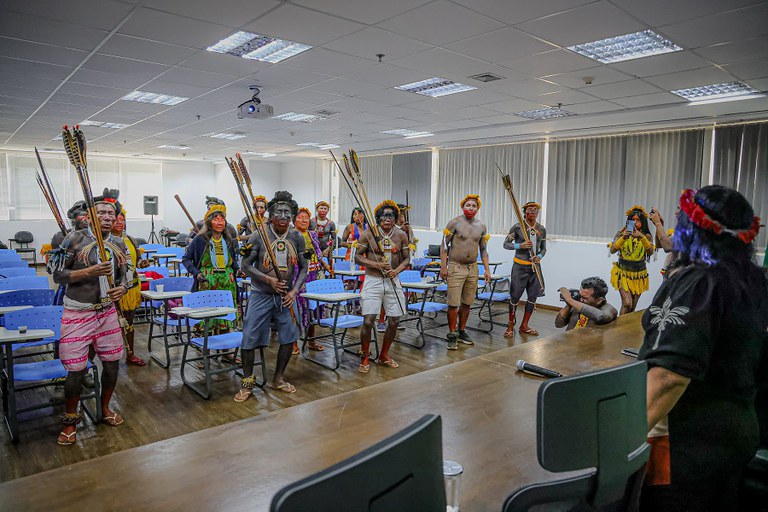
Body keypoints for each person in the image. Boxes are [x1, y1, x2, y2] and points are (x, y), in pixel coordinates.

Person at [639, 186, 767, 511]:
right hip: (737, 428)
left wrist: (619, 441)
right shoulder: (753, 278)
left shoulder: (700, 284)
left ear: (692, 228)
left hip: (689, 441)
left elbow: (669, 378)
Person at [51, 192, 130, 445]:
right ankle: (70, 419)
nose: (108, 217)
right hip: (78, 312)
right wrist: (89, 271)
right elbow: (58, 275)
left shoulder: (118, 243)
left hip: (106, 312)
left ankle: (105, 408)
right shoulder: (74, 239)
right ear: (90, 215)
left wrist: (122, 288)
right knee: (76, 369)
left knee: (111, 363)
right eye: (102, 213)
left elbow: (124, 275)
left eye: (112, 214)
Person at [235, 191, 307, 402]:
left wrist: (294, 291)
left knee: (289, 336)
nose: (283, 216)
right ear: (271, 214)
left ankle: (278, 378)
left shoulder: (296, 237)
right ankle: (247, 383)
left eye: (287, 212)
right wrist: (269, 280)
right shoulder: (259, 235)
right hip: (261, 295)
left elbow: (304, 267)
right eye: (279, 212)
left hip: (285, 297)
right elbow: (245, 265)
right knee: (249, 338)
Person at [354, 200, 410, 373]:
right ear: (378, 218)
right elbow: (357, 256)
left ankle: (384, 354)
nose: (388, 218)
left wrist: (397, 270)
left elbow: (407, 258)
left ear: (395, 218)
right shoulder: (369, 233)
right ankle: (365, 356)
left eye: (391, 216)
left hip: (392, 281)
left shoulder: (401, 235)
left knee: (394, 320)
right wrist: (376, 265)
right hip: (373, 280)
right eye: (384, 215)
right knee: (369, 320)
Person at [439, 194, 491, 350]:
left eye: (474, 206)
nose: (471, 208)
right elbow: (443, 245)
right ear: (463, 207)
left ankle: (462, 331)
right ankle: (452, 334)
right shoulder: (454, 222)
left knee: (467, 302)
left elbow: (483, 249)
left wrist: (487, 269)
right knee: (453, 303)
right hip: (456, 267)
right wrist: (443, 266)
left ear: (478, 208)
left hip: (473, 268)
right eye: (468, 205)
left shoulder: (481, 226)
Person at [182, 201, 239, 334]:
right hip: (207, 281)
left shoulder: (228, 239)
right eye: (216, 219)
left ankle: (225, 350)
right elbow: (186, 259)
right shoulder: (200, 239)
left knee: (225, 317)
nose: (220, 222)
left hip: (226, 281)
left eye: (222, 219)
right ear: (209, 222)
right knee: (207, 316)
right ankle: (206, 350)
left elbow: (232, 261)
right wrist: (196, 273)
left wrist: (237, 270)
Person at [109, 192, 149, 366]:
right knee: (112, 325)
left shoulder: (131, 239)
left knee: (129, 323)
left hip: (131, 288)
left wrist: (143, 263)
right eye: (117, 219)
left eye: (122, 219)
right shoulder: (105, 241)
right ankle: (110, 357)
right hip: (114, 290)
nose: (120, 222)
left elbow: (137, 263)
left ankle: (130, 354)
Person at [292, 207, 332, 354]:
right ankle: (294, 343)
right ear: (294, 220)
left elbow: (319, 254)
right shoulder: (291, 235)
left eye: (306, 218)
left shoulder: (312, 234)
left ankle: (311, 341)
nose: (304, 220)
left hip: (314, 274)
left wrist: (327, 266)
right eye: (300, 217)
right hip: (297, 275)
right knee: (297, 309)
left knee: (312, 307)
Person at [503, 201, 546, 337]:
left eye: (535, 210)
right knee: (515, 297)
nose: (532, 212)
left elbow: (544, 248)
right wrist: (520, 246)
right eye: (529, 210)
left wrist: (539, 256)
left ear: (538, 213)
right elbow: (506, 244)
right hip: (519, 267)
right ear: (524, 212)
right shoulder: (517, 227)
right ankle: (510, 324)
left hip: (534, 268)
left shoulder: (541, 229)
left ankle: (524, 325)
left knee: (532, 297)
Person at [609, 205, 655, 315]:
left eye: (637, 220)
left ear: (643, 222)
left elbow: (650, 252)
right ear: (628, 221)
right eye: (632, 220)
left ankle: (625, 331)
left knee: (633, 307)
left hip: (639, 275)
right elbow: (612, 250)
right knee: (627, 303)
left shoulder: (647, 236)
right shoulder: (620, 234)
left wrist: (641, 237)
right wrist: (623, 237)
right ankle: (619, 329)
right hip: (622, 273)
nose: (634, 222)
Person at [649, 206, 676, 278]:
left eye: (679, 208)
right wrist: (659, 224)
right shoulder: (680, 230)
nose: (676, 212)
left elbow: (667, 247)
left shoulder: (690, 231)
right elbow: (659, 244)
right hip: (669, 273)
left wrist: (658, 223)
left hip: (677, 276)